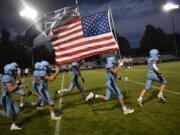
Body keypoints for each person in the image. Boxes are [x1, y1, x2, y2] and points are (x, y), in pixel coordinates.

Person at [1, 64, 25, 130]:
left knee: (16, 111)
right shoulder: (6, 77)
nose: (14, 71)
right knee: (8, 115)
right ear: (9, 71)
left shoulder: (9, 76)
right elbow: (11, 89)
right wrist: (19, 83)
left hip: (10, 97)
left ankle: (13, 126)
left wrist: (20, 85)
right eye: (13, 70)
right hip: (6, 98)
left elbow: (14, 87)